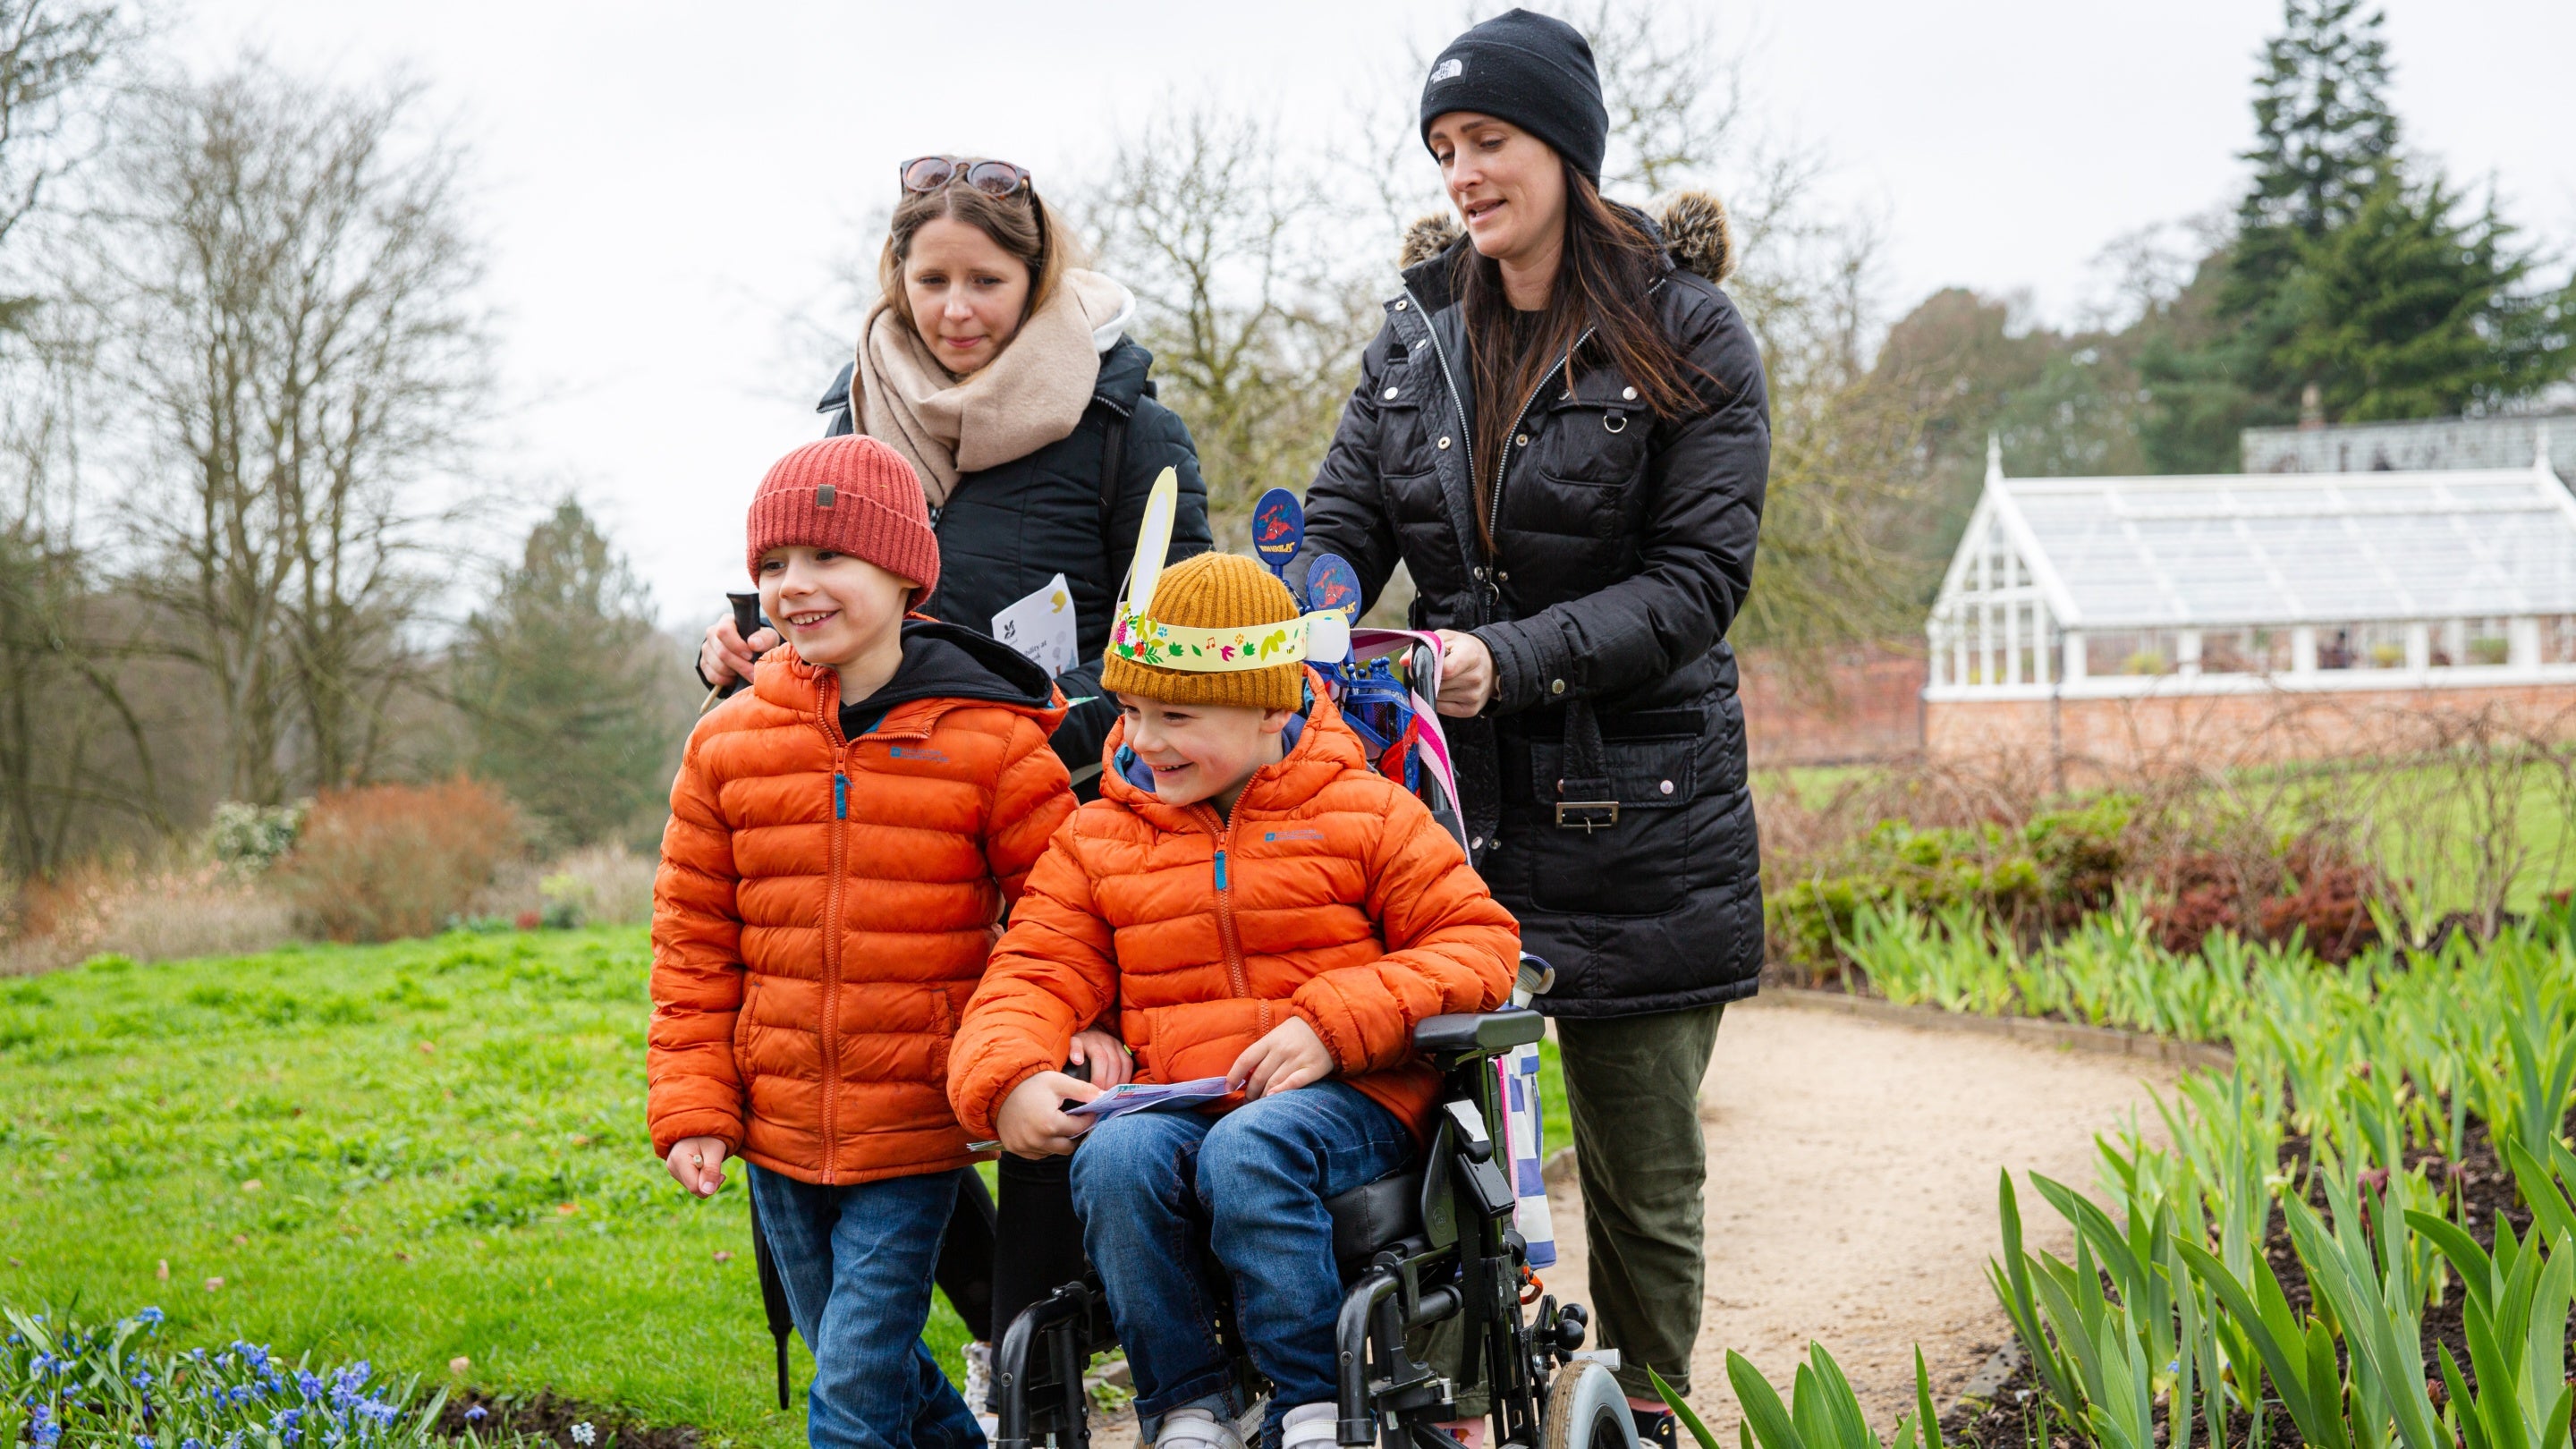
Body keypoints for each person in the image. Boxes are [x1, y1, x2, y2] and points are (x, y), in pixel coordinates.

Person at [1292, 10, 1771, 1432]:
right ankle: (1447, 1409)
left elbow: (1697, 583)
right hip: (1450, 823)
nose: (1463, 172)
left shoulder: (1690, 331)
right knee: (1438, 1159)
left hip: (1643, 815)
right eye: (1445, 148)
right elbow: (1335, 529)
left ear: (1564, 144)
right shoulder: (1415, 336)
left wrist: (1502, 663)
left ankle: (1650, 1413)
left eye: (1488, 140)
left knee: (1640, 1174)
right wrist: (1285, 616)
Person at [693, 155, 1212, 1410]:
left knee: (1032, 1066)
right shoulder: (853, 421)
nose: (957, 307)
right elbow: (804, 591)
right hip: (883, 812)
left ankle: (1037, 1362)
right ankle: (994, 1331)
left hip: (1069, 793)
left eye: (987, 280)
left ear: (1037, 281)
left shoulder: (1125, 430)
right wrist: (733, 652)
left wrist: (1066, 708)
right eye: (932, 279)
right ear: (897, 278)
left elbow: (1182, 621)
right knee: (888, 1080)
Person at [946, 551, 1521, 1449]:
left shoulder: (1365, 814)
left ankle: (1315, 1408)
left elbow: (1479, 945)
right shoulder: (1100, 838)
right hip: (1188, 1100)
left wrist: (1334, 1028)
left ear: (1269, 709)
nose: (1143, 740)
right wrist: (1008, 1077)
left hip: (1354, 1100)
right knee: (1116, 1157)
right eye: (1132, 711)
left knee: (1253, 1147)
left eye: (1176, 714)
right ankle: (1189, 1408)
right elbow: (1031, 971)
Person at [649, 436, 1081, 1449]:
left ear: (903, 572)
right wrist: (696, 1106)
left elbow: (1063, 915)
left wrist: (1055, 1036)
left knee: (848, 1397)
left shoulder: (994, 740)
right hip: (776, 1124)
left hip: (914, 1120)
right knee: (876, 1370)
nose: (794, 587)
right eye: (772, 566)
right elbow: (692, 943)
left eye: (827, 558)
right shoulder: (727, 743)